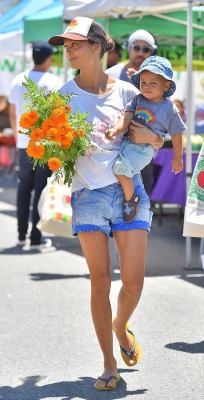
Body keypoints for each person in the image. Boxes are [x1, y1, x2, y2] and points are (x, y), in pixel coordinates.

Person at [48, 16, 164, 391]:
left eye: (74, 44)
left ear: (97, 47)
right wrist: (54, 146)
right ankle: (109, 363)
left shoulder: (129, 93)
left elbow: (157, 137)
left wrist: (156, 139)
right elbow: (53, 147)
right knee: (100, 283)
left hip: (128, 195)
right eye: (65, 45)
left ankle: (120, 325)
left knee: (133, 284)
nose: (67, 50)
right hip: (86, 196)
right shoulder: (63, 95)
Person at [105, 56, 186, 222]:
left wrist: (177, 157)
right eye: (143, 82)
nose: (147, 87)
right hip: (126, 142)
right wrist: (115, 129)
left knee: (120, 170)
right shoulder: (137, 99)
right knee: (114, 169)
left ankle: (131, 199)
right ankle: (123, 200)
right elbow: (126, 119)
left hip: (144, 149)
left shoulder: (169, 108)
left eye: (153, 83)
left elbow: (177, 134)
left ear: (166, 85)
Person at [9, 40, 63, 249]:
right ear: (48, 58)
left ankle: (21, 235)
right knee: (41, 190)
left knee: (24, 189)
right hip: (45, 145)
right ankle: (35, 237)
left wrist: (18, 139)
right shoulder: (54, 81)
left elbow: (14, 115)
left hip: (23, 144)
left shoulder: (18, 80)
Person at [106, 29, 158, 195]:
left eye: (146, 49)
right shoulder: (111, 74)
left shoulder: (158, 78)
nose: (140, 53)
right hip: (113, 149)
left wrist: (142, 83)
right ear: (129, 48)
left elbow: (163, 111)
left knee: (141, 204)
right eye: (137, 47)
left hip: (142, 152)